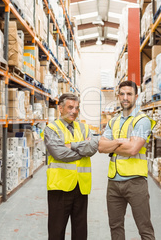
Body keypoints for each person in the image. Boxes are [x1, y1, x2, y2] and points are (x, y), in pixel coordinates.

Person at [98, 80, 156, 240]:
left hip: (135, 182)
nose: (125, 97)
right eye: (122, 94)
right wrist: (119, 142)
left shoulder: (142, 120)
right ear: (118, 96)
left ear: (136, 96)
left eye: (129, 94)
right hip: (113, 183)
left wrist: (112, 145)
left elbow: (132, 149)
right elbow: (101, 147)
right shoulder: (113, 121)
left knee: (145, 229)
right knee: (115, 227)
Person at [44, 93, 98, 240]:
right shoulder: (51, 128)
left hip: (81, 186)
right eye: (70, 107)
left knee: (80, 232)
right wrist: (83, 151)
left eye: (76, 108)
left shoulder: (84, 127)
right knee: (56, 231)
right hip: (60, 187)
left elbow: (93, 147)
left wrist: (72, 146)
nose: (74, 111)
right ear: (60, 108)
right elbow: (59, 154)